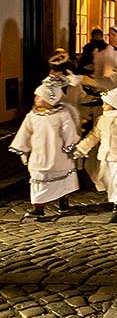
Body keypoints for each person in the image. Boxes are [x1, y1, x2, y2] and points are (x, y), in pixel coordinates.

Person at [9, 83, 80, 218]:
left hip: (58, 154)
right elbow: (25, 132)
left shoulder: (62, 114)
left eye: (39, 96)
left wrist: (69, 146)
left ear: (49, 99)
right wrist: (23, 150)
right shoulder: (32, 116)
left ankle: (63, 201)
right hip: (39, 155)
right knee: (38, 177)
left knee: (62, 178)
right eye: (35, 96)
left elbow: (69, 132)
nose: (36, 98)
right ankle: (38, 207)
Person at [74, 86, 117, 222]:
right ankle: (115, 201)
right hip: (106, 156)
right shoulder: (102, 120)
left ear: (114, 105)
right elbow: (94, 136)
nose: (103, 106)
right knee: (106, 179)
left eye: (106, 103)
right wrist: (82, 148)